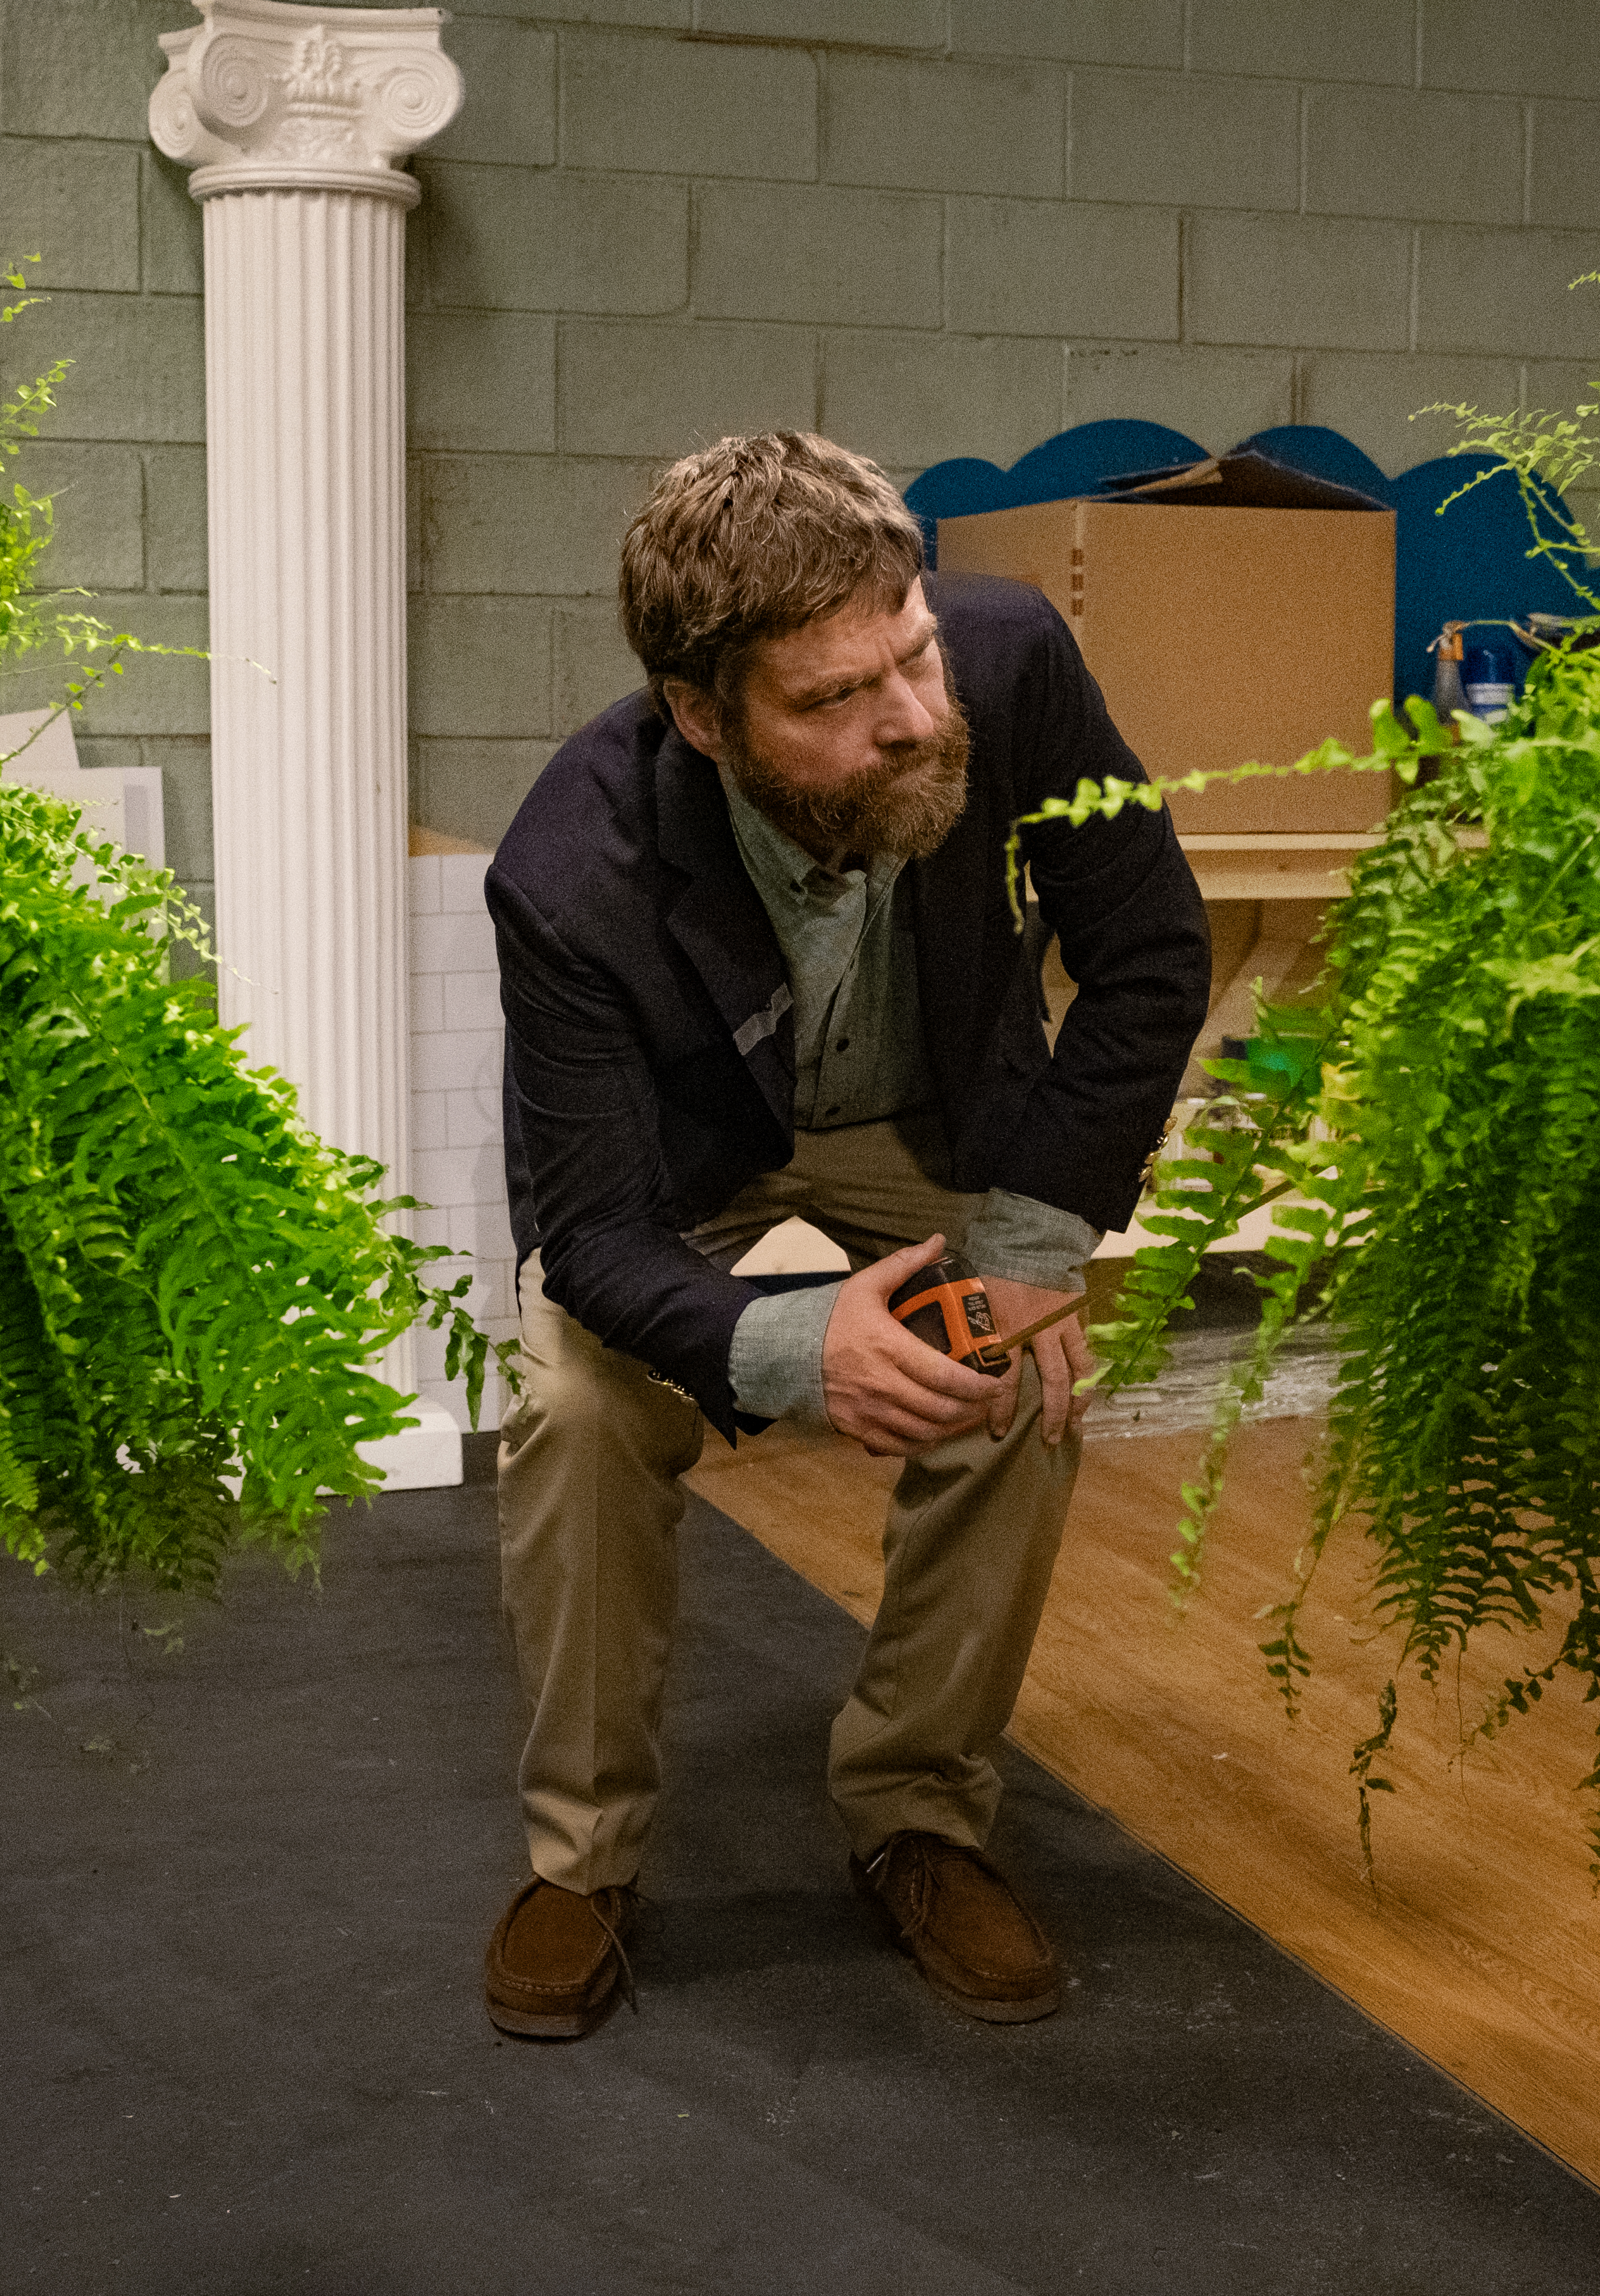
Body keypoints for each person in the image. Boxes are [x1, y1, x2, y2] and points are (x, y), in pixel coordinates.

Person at [478, 431, 1209, 2039]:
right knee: (581, 1410)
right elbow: (595, 1229)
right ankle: (586, 1858)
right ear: (703, 717)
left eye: (913, 656)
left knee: (1015, 1380)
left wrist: (1029, 1242)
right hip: (690, 1169)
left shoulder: (1008, 661)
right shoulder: (568, 868)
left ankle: (920, 1815)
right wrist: (798, 1347)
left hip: (931, 1126)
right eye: (830, 701)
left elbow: (1153, 947)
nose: (912, 717)